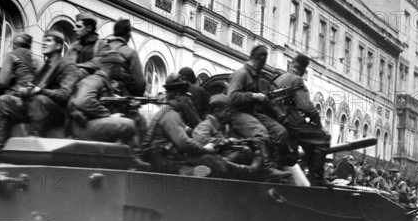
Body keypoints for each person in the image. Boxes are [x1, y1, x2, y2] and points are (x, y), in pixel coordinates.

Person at [0, 29, 79, 162]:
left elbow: (64, 95)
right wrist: (23, 90)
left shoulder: (68, 66)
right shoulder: (44, 67)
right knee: (4, 100)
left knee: (37, 99)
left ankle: (34, 139)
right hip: (37, 104)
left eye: (48, 40)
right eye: (43, 40)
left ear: (59, 46)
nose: (43, 43)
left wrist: (40, 91)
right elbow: (33, 86)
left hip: (57, 112)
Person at [142, 74, 259, 179]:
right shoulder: (171, 116)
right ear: (179, 97)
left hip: (166, 158)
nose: (189, 100)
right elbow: (185, 144)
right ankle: (247, 170)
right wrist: (205, 149)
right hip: (165, 162)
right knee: (208, 160)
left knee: (208, 160)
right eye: (186, 97)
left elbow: (186, 132)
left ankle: (192, 171)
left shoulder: (170, 113)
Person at [227, 45, 290, 182]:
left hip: (250, 112)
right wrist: (254, 96)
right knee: (260, 133)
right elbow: (232, 97)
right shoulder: (242, 73)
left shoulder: (254, 76)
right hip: (236, 114)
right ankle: (267, 169)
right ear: (261, 58)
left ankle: (275, 168)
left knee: (280, 132)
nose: (265, 63)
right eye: (264, 59)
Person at [273, 53, 331, 186]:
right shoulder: (296, 80)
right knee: (322, 138)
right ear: (304, 70)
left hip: (277, 121)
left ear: (292, 63)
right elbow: (306, 107)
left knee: (310, 139)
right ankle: (317, 178)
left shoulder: (279, 79)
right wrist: (318, 123)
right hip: (290, 122)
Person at [192, 94, 254, 165]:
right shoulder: (206, 125)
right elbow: (200, 140)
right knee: (244, 151)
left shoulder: (222, 127)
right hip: (209, 159)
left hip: (219, 156)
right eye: (227, 111)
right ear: (216, 111)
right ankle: (222, 166)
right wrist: (225, 141)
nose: (230, 113)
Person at [106, 18, 146, 97]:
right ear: (128, 35)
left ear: (114, 33)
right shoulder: (130, 53)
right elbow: (140, 84)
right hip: (121, 101)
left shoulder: (103, 48)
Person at [65, 13, 109, 79]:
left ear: (89, 28)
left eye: (79, 27)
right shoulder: (74, 46)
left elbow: (97, 63)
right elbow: (65, 64)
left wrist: (76, 66)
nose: (74, 29)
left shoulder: (101, 45)